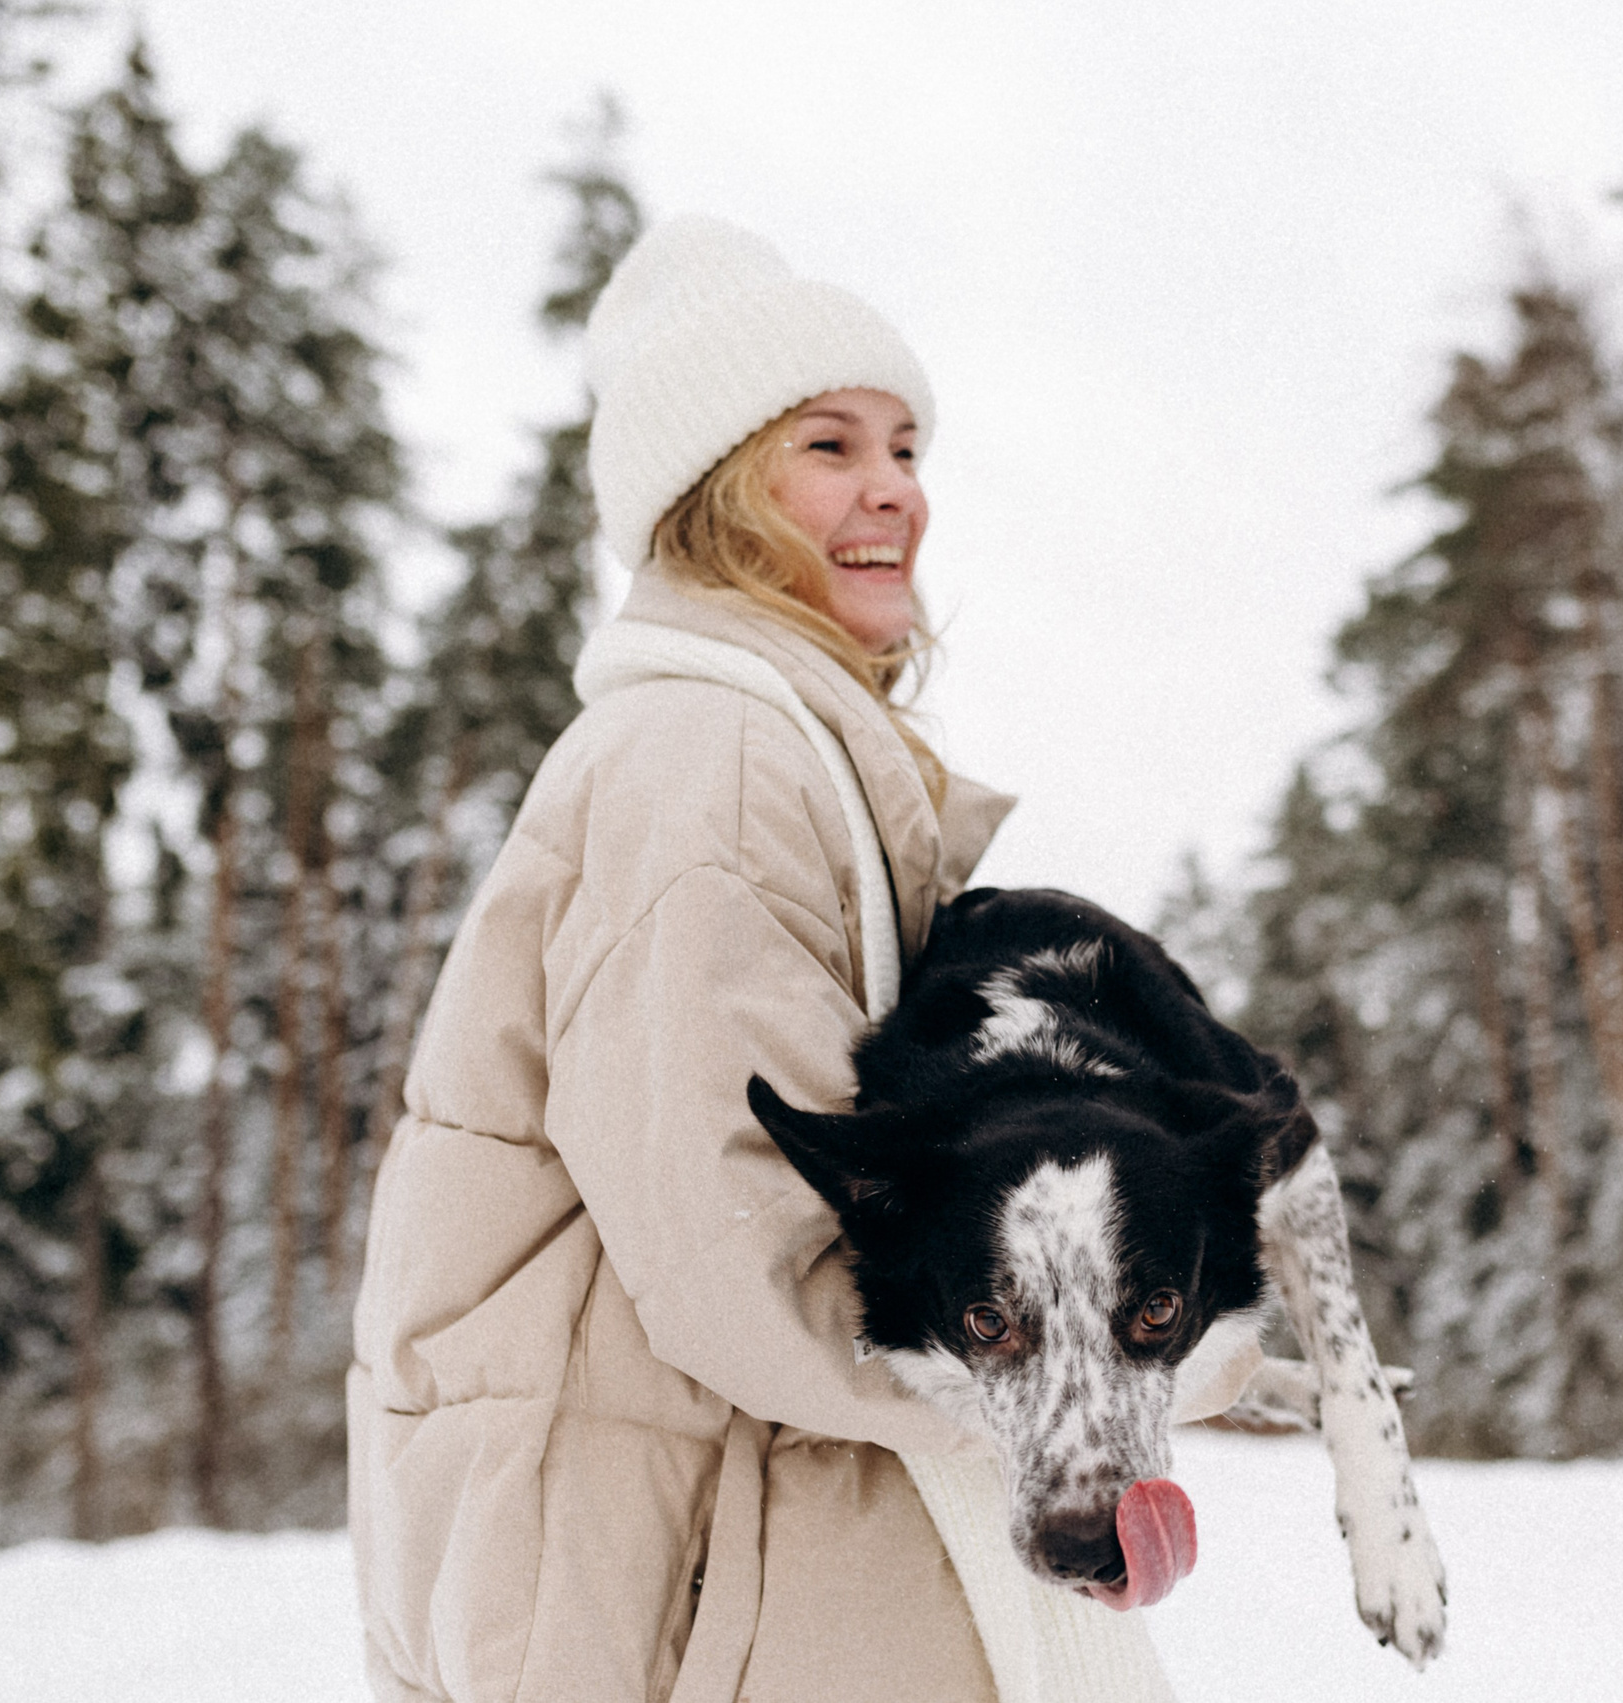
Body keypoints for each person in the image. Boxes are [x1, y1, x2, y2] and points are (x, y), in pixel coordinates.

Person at [347, 218, 1245, 1703]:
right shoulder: (717, 763)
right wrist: (1145, 1349)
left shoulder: (769, 751)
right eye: (829, 447)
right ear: (713, 501)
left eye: (906, 446)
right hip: (692, 1569)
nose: (896, 486)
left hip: (710, 1547)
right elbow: (749, 1252)